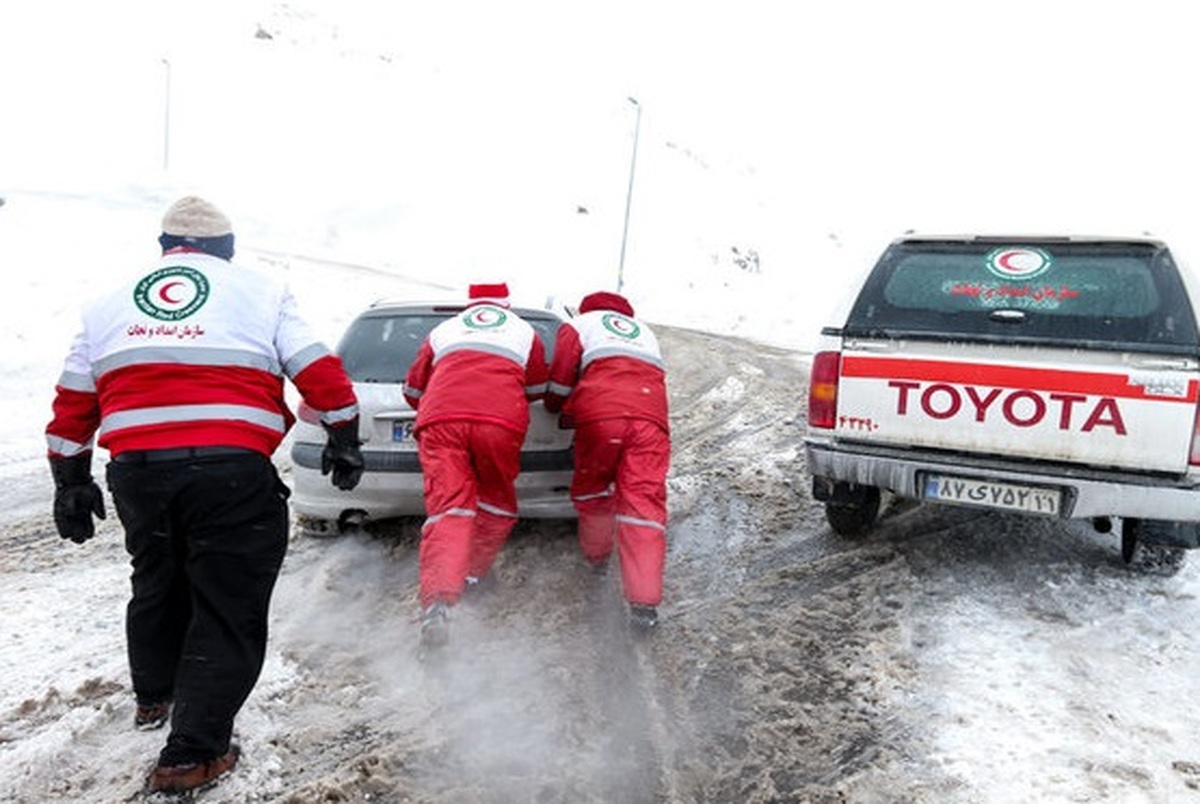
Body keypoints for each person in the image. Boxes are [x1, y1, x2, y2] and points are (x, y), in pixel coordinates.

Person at [45, 196, 364, 795]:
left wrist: (70, 478)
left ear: (166, 249)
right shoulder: (261, 292)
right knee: (226, 602)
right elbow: (316, 370)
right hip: (230, 470)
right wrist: (344, 434)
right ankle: (193, 752)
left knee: (157, 576)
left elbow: (72, 400)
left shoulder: (108, 303)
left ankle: (154, 697)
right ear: (227, 249)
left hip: (138, 470)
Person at [402, 282, 548, 649]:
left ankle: (438, 601)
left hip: (441, 420)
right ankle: (472, 575)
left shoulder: (444, 330)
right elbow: (537, 388)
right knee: (496, 501)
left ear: (470, 304)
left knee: (449, 508)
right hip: (500, 421)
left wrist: (445, 401)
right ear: (507, 305)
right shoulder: (524, 330)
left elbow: (413, 390)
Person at [544, 291, 670, 630]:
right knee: (644, 505)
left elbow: (559, 380)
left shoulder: (580, 324)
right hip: (650, 422)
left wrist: (556, 407)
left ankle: (598, 558)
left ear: (588, 308)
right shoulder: (644, 332)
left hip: (602, 417)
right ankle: (644, 606)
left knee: (592, 488)